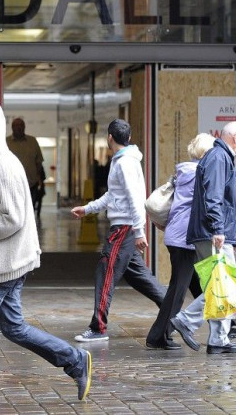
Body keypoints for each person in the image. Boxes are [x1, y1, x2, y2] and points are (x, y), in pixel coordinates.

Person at [0, 103, 91, 409]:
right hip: (5, 261)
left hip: (0, 266)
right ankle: (75, 361)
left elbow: (12, 220)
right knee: (13, 327)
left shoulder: (2, 169)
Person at [70, 119, 166, 342]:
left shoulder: (124, 163)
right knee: (140, 277)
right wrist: (88, 209)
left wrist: (139, 231)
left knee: (105, 274)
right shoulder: (122, 160)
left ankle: (98, 328)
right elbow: (113, 195)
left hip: (123, 228)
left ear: (110, 137)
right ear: (128, 138)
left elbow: (135, 197)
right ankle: (176, 314)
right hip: (126, 227)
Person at [170, 121, 236, 355]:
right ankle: (186, 320)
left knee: (221, 285)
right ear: (235, 137)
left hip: (217, 233)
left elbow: (227, 205)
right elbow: (214, 198)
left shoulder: (221, 157)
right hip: (211, 234)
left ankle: (219, 340)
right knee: (224, 286)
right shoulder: (218, 157)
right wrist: (218, 230)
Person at [145, 133, 216, 350]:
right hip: (185, 238)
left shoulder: (186, 172)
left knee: (198, 284)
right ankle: (158, 336)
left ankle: (227, 324)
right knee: (178, 289)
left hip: (180, 236)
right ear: (207, 153)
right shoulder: (199, 174)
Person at [6, 118, 45, 218]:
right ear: (12, 127)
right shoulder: (6, 142)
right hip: (11, 185)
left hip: (31, 185)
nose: (18, 127)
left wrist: (38, 178)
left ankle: (27, 232)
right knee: (13, 213)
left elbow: (39, 162)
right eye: (16, 125)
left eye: (21, 125)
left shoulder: (32, 141)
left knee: (29, 213)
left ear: (24, 127)